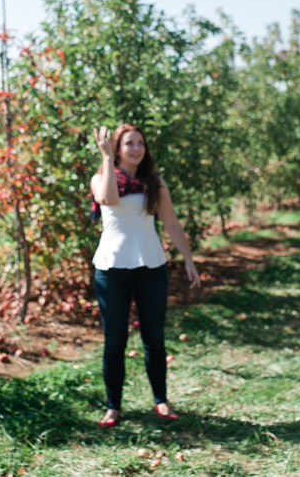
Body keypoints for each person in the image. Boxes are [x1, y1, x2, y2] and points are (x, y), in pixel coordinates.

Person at [90, 123, 201, 429]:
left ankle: (161, 400)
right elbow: (109, 199)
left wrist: (188, 260)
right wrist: (106, 158)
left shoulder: (154, 181)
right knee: (115, 341)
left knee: (154, 338)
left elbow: (172, 223)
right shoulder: (102, 177)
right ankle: (113, 407)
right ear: (117, 147)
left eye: (140, 143)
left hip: (151, 266)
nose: (136, 148)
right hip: (112, 269)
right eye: (129, 143)